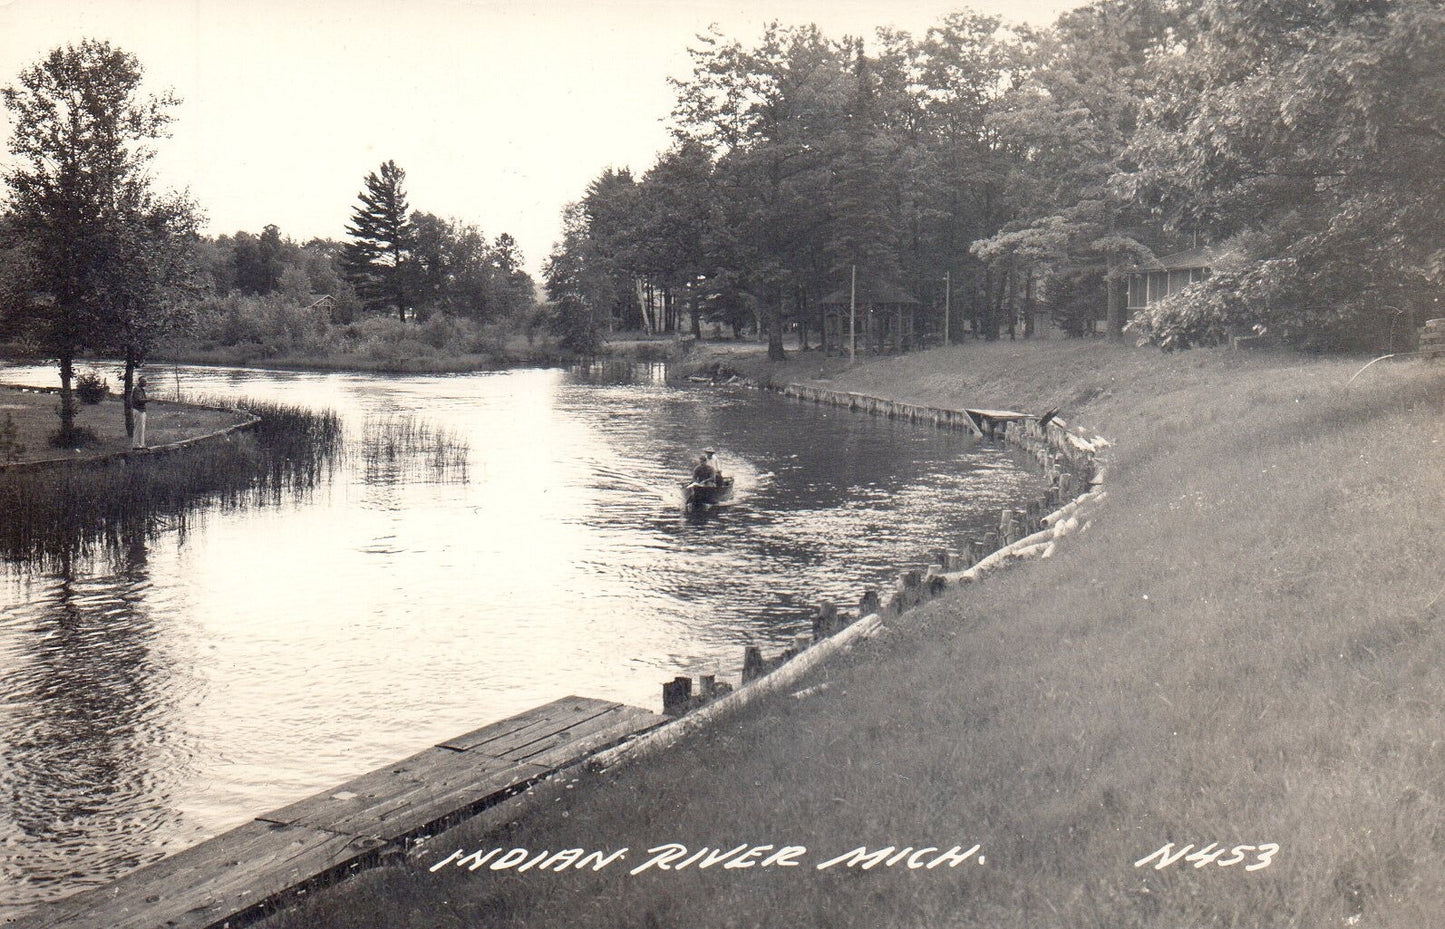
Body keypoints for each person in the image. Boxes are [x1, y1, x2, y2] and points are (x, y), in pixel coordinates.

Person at [131, 376, 148, 449]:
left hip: (141, 410)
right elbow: (139, 400)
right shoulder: (137, 390)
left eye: (146, 381)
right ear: (140, 381)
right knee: (138, 427)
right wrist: (147, 400)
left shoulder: (141, 390)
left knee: (142, 427)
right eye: (144, 381)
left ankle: (141, 444)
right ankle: (136, 444)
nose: (145, 383)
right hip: (138, 410)